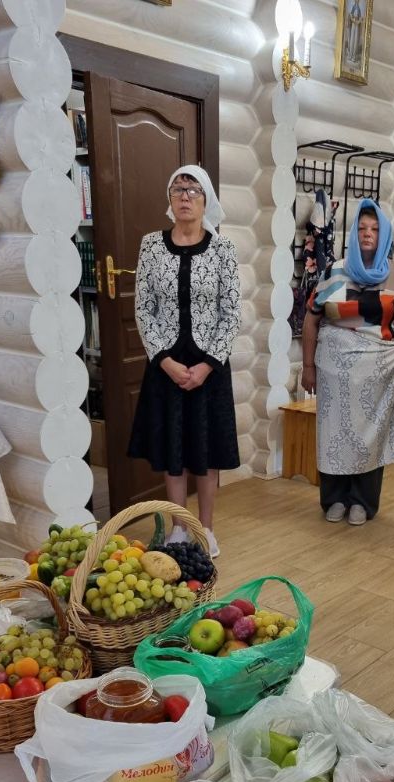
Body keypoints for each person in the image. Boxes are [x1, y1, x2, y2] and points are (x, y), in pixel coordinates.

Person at [128, 165, 241, 558]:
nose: (185, 197)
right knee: (173, 450)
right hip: (166, 367)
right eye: (178, 189)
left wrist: (207, 365)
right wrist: (165, 360)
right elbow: (144, 308)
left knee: (206, 451)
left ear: (206, 200)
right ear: (170, 198)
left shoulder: (224, 250)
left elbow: (231, 312)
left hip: (210, 367)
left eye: (193, 190)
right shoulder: (151, 246)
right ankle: (178, 527)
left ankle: (205, 529)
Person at [301, 199, 394, 526]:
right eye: (362, 228)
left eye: (375, 229)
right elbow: (311, 320)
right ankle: (334, 499)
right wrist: (308, 367)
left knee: (369, 436)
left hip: (378, 372)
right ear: (354, 234)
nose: (368, 234)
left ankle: (362, 501)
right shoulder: (333, 271)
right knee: (333, 433)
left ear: (384, 235)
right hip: (333, 369)